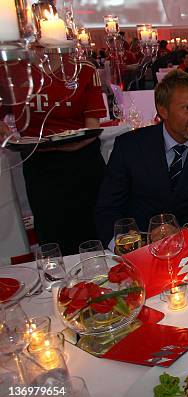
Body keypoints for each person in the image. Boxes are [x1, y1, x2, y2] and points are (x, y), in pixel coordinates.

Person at [95, 70, 188, 246]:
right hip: (139, 247)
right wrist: (124, 244)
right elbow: (107, 209)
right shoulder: (130, 146)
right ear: (163, 111)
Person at [0, 54, 107, 255]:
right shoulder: (10, 71)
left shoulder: (83, 69)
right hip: (40, 166)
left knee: (93, 230)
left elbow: (92, 127)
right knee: (53, 235)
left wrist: (65, 145)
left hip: (83, 162)